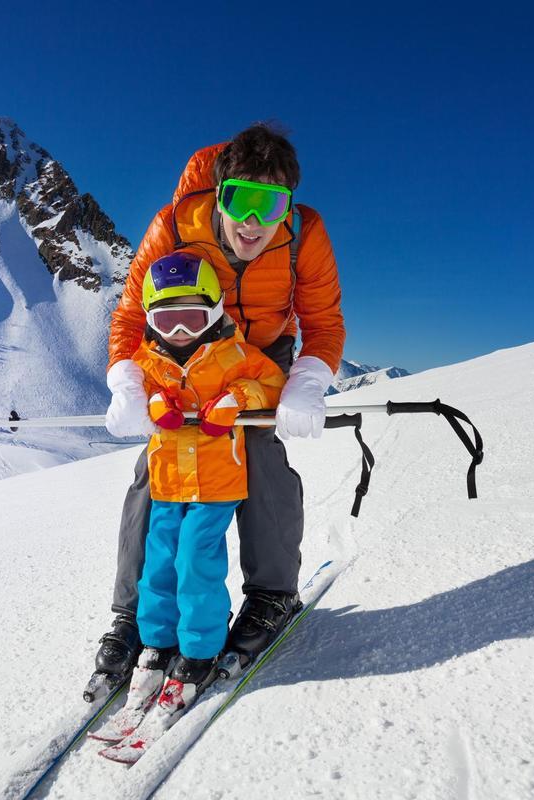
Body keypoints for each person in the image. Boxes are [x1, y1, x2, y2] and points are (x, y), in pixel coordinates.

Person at [95, 123, 345, 689]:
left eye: (271, 205)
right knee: (158, 466)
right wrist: (127, 381)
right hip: (187, 344)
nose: (253, 222)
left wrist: (307, 380)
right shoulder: (174, 226)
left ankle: (272, 594)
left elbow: (324, 322)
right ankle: (133, 612)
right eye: (241, 201)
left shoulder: (305, 234)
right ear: (220, 192)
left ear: (288, 207)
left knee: (255, 450)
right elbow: (134, 314)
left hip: (261, 355)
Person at [123, 250, 285, 714]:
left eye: (192, 318)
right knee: (158, 563)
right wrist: (153, 403)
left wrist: (237, 398)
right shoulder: (147, 360)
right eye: (168, 320)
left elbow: (272, 383)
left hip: (216, 483)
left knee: (195, 562)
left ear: (213, 311)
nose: (179, 332)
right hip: (168, 481)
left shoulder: (234, 354)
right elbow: (136, 390)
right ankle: (156, 641)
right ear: (151, 320)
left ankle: (199, 648)